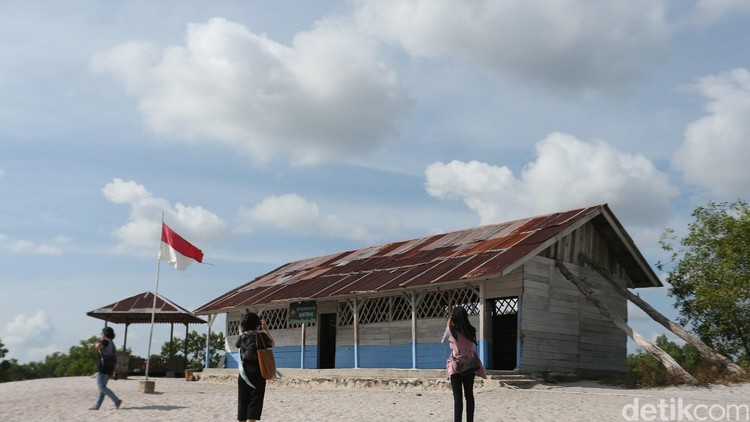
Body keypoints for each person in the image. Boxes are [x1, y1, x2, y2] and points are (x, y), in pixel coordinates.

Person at [441, 307, 486, 422]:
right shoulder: (471, 330)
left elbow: (444, 342)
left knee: (458, 398)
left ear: (454, 317)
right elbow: (472, 348)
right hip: (469, 366)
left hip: (455, 367)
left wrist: (448, 324)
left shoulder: (451, 330)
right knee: (469, 396)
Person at [235, 311, 275, 422]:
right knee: (254, 402)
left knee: (243, 402)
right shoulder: (261, 335)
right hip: (258, 371)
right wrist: (266, 329)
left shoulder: (241, 337)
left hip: (243, 373)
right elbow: (272, 344)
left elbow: (237, 345)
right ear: (257, 323)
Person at [90, 326, 122, 410]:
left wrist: (95, 343)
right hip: (109, 368)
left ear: (105, 334)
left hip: (103, 367)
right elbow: (114, 356)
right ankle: (97, 405)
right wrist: (115, 368)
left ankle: (116, 400)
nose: (101, 334)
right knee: (102, 388)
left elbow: (98, 346)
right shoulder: (112, 343)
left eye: (102, 333)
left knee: (102, 387)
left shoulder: (105, 341)